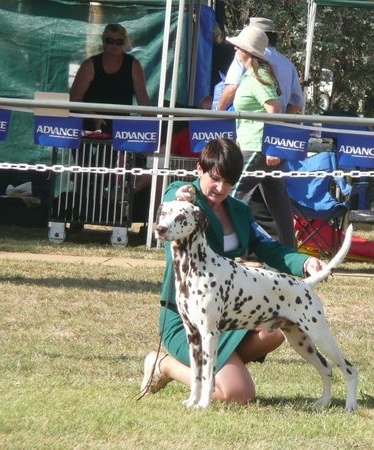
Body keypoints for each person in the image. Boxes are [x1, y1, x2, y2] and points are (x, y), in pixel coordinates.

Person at [140, 138, 328, 403]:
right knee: (237, 394)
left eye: (229, 182)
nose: (221, 188)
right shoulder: (184, 198)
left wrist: (304, 262)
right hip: (186, 319)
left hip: (227, 315)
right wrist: (183, 196)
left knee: (275, 330)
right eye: (215, 178)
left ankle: (222, 365)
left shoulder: (239, 211)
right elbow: (173, 199)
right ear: (199, 169)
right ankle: (164, 365)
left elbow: (269, 246)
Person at [221, 25, 296, 248]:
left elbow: (274, 111)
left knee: (230, 195)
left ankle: (227, 245)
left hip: (257, 147)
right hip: (257, 146)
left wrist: (274, 148)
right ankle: (289, 251)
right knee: (277, 202)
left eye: (238, 46)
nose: (235, 49)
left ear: (248, 51)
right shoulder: (253, 75)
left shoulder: (258, 77)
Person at [70, 23, 150, 133]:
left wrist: (150, 127)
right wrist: (94, 117)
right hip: (90, 129)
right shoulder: (90, 65)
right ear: (103, 41)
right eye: (110, 41)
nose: (114, 45)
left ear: (124, 43)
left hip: (121, 130)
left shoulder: (133, 65)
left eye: (119, 42)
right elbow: (74, 100)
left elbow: (143, 101)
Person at [216, 17, 304, 114]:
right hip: (268, 122)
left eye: (240, 46)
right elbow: (297, 103)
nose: (236, 48)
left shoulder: (254, 71)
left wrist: (217, 113)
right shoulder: (288, 64)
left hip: (253, 122)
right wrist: (282, 120)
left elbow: (232, 87)